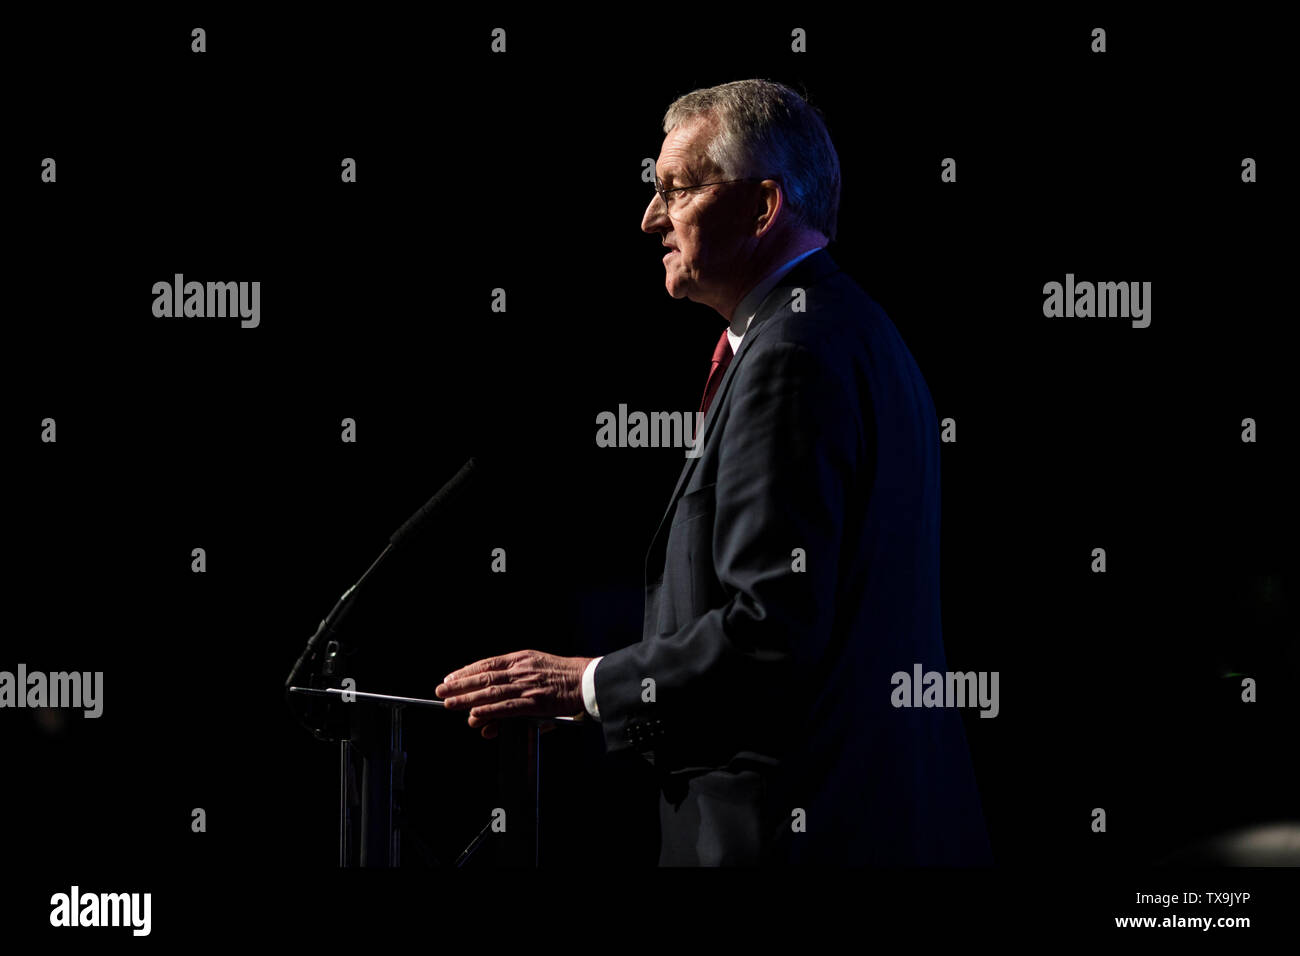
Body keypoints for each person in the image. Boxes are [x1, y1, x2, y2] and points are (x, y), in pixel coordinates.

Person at [437, 79, 992, 866]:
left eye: (676, 190)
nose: (650, 218)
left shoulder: (793, 357)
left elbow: (771, 632)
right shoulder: (843, 331)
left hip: (800, 831)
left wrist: (588, 684)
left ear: (763, 206)